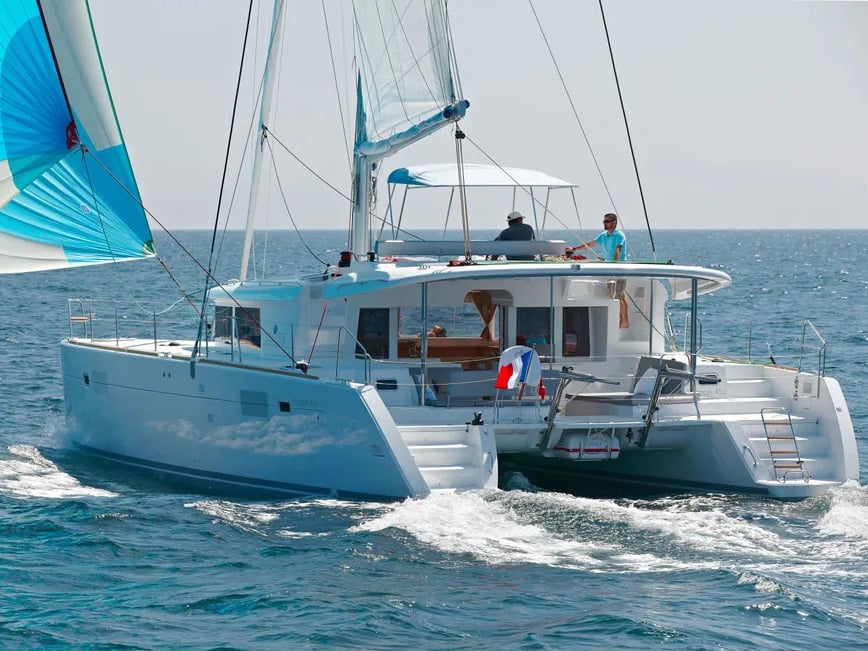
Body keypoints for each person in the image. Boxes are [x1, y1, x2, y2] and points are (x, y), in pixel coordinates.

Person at [569, 213, 630, 328]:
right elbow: (590, 244)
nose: (604, 224)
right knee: (619, 295)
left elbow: (618, 251)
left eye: (607, 221)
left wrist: (614, 265)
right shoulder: (603, 235)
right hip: (609, 269)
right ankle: (623, 322)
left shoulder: (619, 235)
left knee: (618, 295)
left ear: (614, 222)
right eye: (604, 222)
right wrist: (574, 249)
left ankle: (623, 322)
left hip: (618, 269)